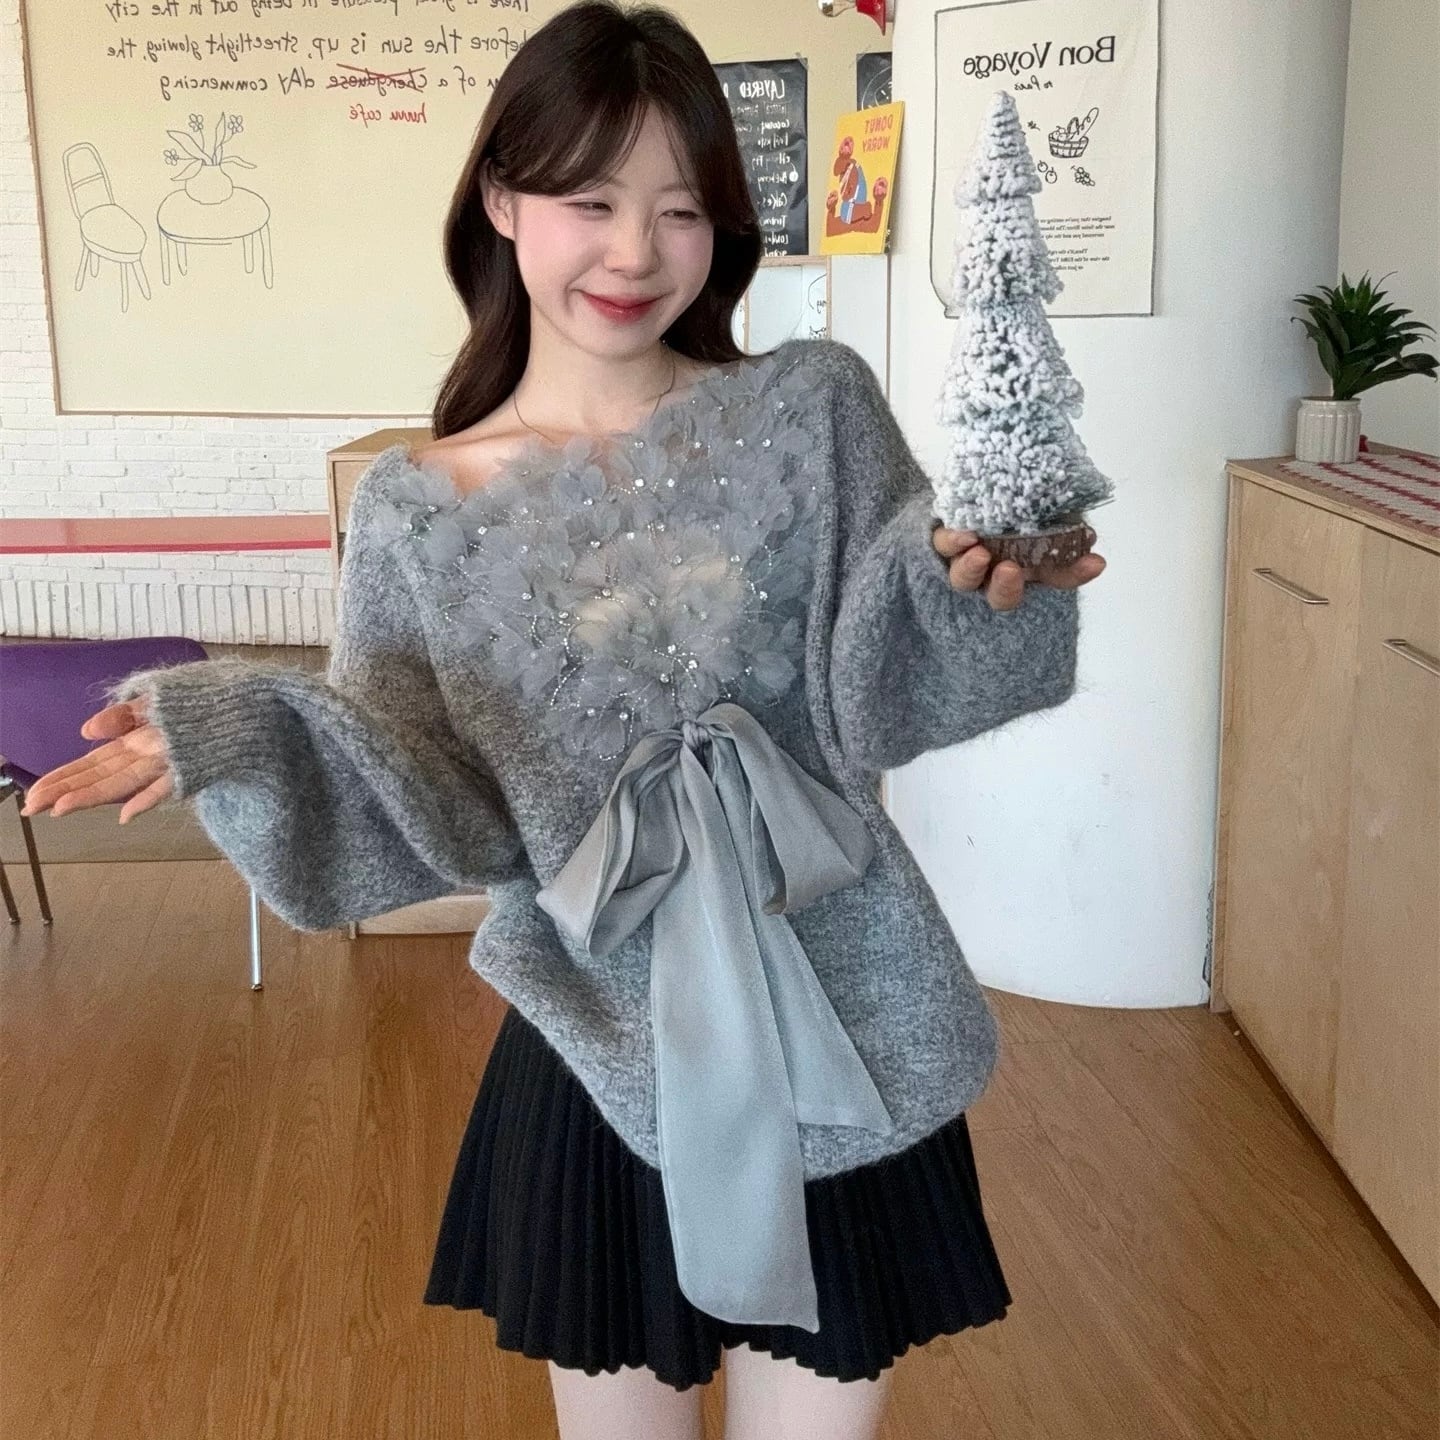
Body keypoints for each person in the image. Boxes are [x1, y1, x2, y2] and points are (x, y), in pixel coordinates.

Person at [22, 4, 1106, 1437]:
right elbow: (429, 793)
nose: (635, 252)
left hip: (847, 1008)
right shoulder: (418, 510)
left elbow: (888, 672)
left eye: (681, 209)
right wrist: (244, 726)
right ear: (500, 200)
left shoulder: (814, 411)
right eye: (590, 201)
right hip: (593, 1040)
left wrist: (981, 577)